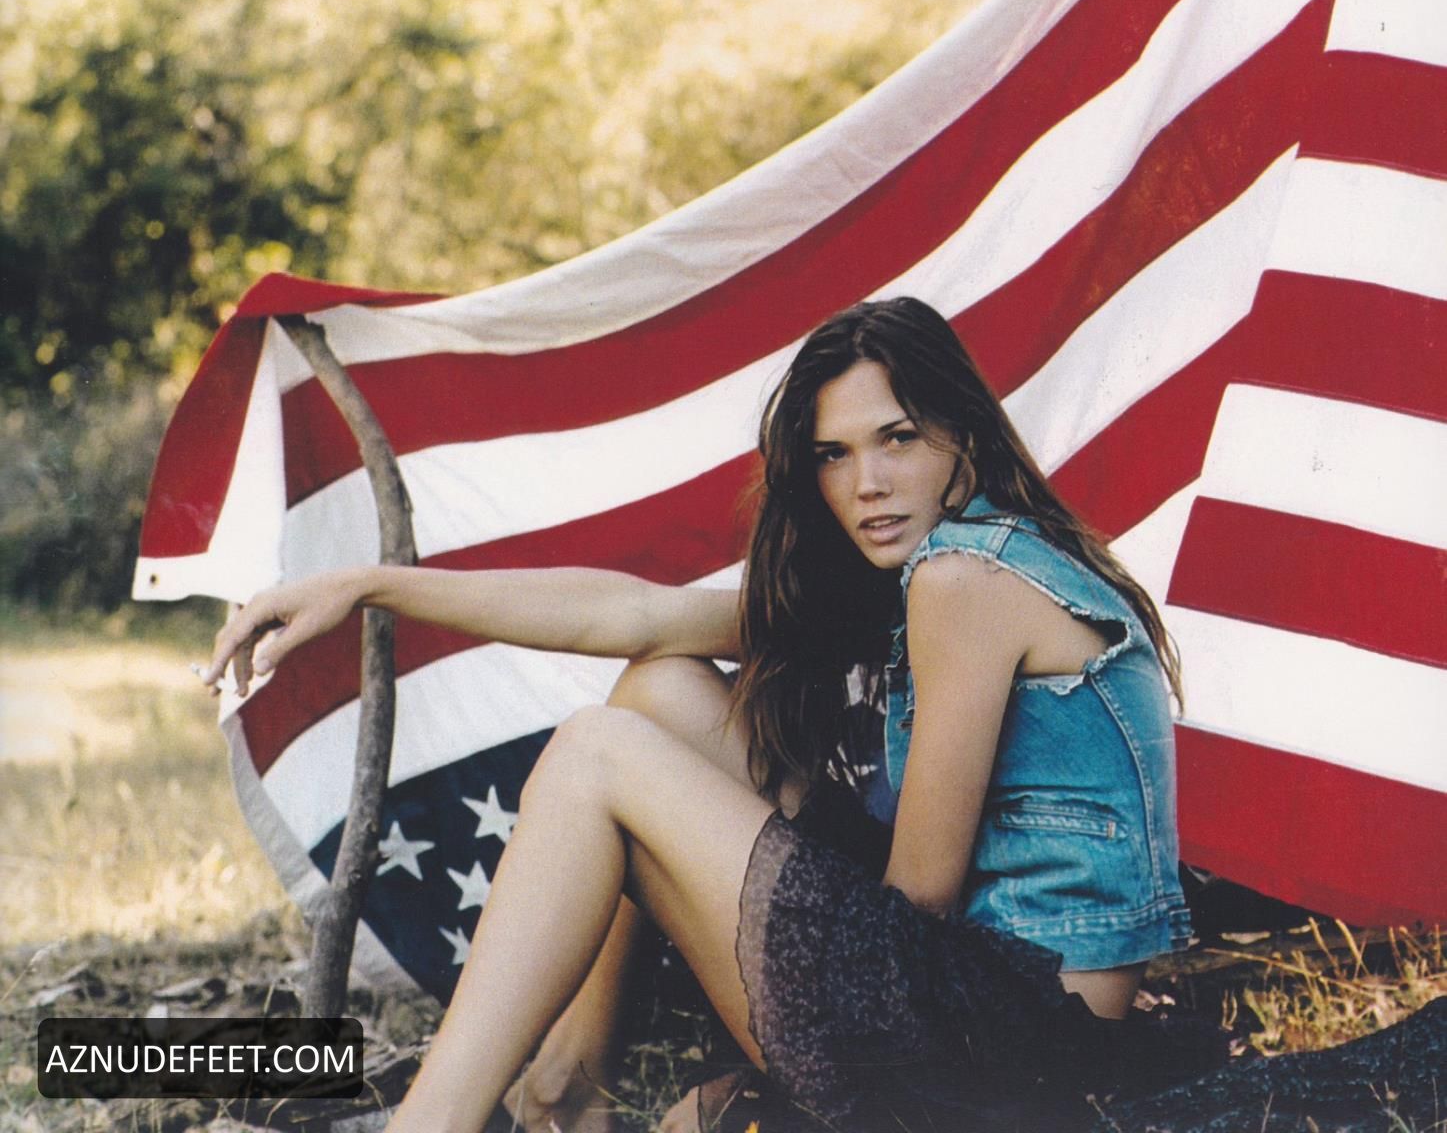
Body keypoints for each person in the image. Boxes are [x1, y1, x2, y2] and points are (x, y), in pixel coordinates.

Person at [201, 298, 1442, 1133]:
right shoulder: (949, 567)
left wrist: (755, 993)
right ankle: (563, 1085)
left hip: (1012, 1051)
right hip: (1006, 1008)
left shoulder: (963, 581)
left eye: (897, 438)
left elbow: (919, 896)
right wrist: (372, 583)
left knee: (597, 753)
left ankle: (435, 1122)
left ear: (961, 438)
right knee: (657, 693)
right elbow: (633, 614)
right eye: (835, 454)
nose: (867, 481)